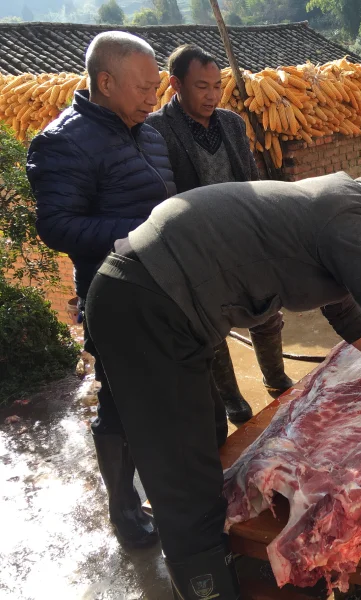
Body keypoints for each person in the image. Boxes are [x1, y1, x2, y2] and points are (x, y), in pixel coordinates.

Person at [84, 171, 361, 597]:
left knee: (194, 429)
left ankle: (133, 517)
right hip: (151, 303)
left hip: (131, 291)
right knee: (187, 481)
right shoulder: (352, 219)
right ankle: (207, 587)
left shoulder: (342, 203)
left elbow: (345, 310)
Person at [26, 31, 177, 549]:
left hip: (166, 284)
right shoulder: (62, 140)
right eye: (143, 87)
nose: (153, 97)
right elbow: (58, 226)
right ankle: (124, 510)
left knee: (171, 387)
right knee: (120, 400)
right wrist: (132, 237)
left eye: (156, 87)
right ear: (105, 82)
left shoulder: (149, 132)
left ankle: (174, 485)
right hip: (113, 291)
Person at [146, 44, 292, 425]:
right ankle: (231, 399)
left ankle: (276, 380)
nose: (212, 95)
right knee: (212, 325)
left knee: (266, 310)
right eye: (202, 87)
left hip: (242, 238)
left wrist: (264, 223)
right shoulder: (156, 130)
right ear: (176, 85)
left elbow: (251, 178)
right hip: (194, 247)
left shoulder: (231, 123)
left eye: (217, 85)